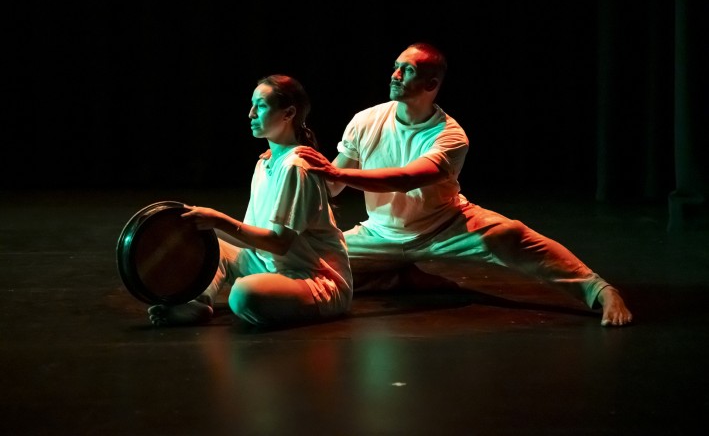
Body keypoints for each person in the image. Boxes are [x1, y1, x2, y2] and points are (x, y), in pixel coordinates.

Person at [295, 42, 633, 327]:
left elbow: (404, 179)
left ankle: (599, 290)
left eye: (407, 70)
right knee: (307, 259)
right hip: (379, 234)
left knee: (512, 235)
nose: (395, 75)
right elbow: (331, 187)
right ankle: (397, 276)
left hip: (445, 227)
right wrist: (293, 163)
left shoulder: (450, 136)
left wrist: (334, 174)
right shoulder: (365, 121)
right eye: (396, 66)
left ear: (431, 84)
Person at [149, 74, 353, 327]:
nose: (251, 113)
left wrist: (220, 220)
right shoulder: (265, 162)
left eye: (262, 106)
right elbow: (254, 239)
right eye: (252, 105)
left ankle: (266, 294)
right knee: (212, 243)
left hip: (314, 281)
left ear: (288, 113)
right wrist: (208, 225)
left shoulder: (296, 168)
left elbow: (279, 243)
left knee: (243, 294)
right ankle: (197, 304)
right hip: (269, 266)